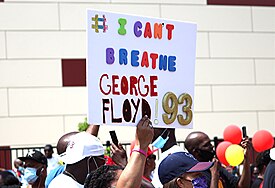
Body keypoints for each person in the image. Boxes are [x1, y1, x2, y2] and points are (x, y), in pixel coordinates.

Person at [184, 131, 252, 188]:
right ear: (196, 152)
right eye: (206, 145)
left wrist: (246, 158)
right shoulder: (192, 175)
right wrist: (214, 174)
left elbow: (242, 186)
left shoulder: (216, 167)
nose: (212, 146)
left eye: (210, 143)